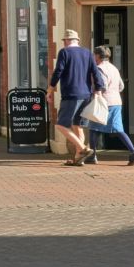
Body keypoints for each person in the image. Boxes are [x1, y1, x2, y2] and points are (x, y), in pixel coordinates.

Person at [48, 29, 105, 166]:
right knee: (77, 126)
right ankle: (78, 158)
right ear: (77, 40)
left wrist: (50, 89)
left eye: (64, 41)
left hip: (71, 94)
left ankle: (84, 148)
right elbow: (95, 72)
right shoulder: (87, 53)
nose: (64, 43)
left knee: (61, 125)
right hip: (86, 94)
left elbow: (58, 71)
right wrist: (98, 89)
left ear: (66, 41)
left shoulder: (64, 52)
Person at [88, 46, 134, 166]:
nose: (93, 57)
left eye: (94, 55)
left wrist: (94, 92)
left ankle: (92, 156)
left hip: (104, 102)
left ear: (97, 56)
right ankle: (133, 152)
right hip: (116, 102)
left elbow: (102, 86)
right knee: (118, 129)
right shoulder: (114, 68)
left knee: (93, 128)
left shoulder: (99, 69)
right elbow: (121, 86)